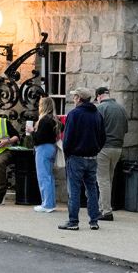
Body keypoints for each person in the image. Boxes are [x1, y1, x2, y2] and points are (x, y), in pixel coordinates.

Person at [58, 88, 106, 231]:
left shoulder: (74, 114)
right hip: (92, 157)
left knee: (74, 190)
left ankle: (73, 221)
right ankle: (94, 221)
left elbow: (67, 139)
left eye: (74, 97)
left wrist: (68, 153)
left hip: (76, 157)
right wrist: (96, 149)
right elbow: (103, 137)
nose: (73, 99)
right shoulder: (97, 114)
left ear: (79, 98)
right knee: (92, 189)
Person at [94, 85, 128, 222]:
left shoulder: (100, 108)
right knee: (109, 179)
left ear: (99, 96)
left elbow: (95, 129)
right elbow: (125, 129)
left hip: (103, 147)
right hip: (118, 147)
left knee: (102, 180)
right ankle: (102, 208)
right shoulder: (121, 109)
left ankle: (106, 211)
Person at [31, 96, 59, 213]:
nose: (38, 107)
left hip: (43, 149)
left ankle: (47, 204)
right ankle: (50, 203)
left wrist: (32, 132)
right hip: (51, 148)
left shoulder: (44, 120)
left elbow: (39, 139)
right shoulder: (53, 119)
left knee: (43, 177)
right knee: (49, 177)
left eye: (40, 105)